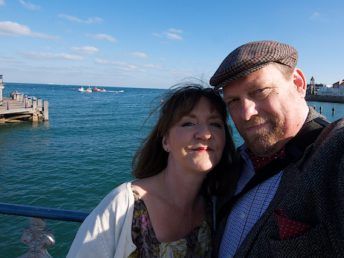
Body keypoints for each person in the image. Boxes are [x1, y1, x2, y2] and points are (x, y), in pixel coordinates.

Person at [67, 84, 237, 258]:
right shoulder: (124, 206)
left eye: (215, 124)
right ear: (166, 141)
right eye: (188, 123)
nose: (205, 134)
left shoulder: (216, 206)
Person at [209, 40, 344, 257]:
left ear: (299, 83)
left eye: (260, 91)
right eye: (233, 101)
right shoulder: (230, 164)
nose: (245, 114)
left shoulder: (333, 153)